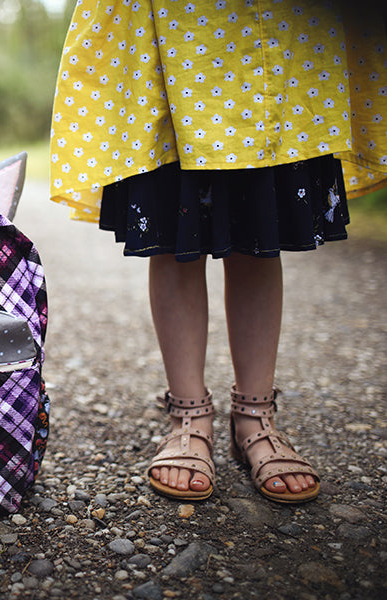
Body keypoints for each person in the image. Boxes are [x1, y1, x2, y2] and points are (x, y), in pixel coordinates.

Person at [50, 0, 387, 503]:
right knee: (173, 236)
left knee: (257, 237)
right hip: (166, 36)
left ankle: (255, 415)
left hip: (269, 37)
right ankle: (189, 413)